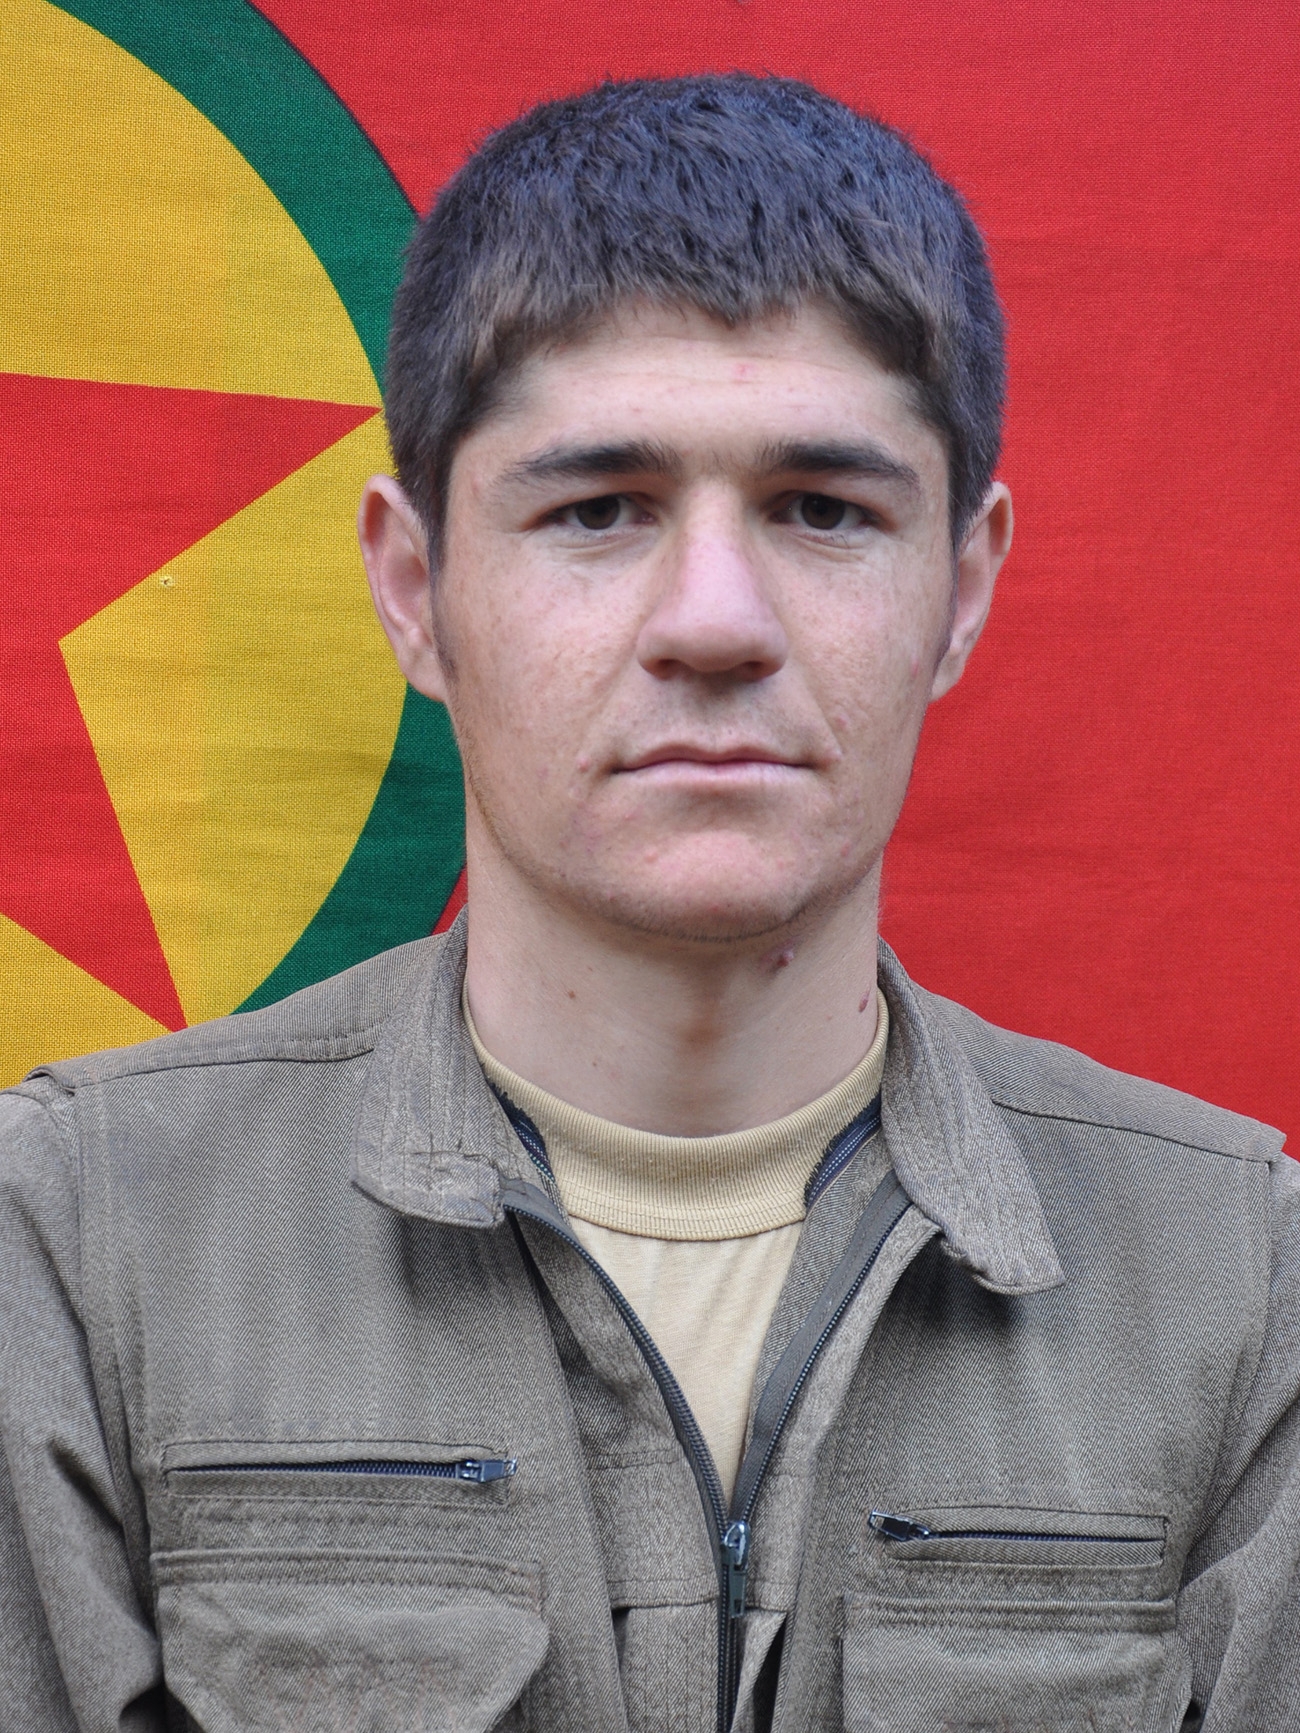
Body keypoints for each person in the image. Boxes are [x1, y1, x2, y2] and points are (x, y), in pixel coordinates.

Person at [1, 73, 1297, 1733]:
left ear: (962, 588)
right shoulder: (74, 1242)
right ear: (416, 586)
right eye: (598, 508)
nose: (714, 620)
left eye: (823, 509)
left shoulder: (1242, 1287)